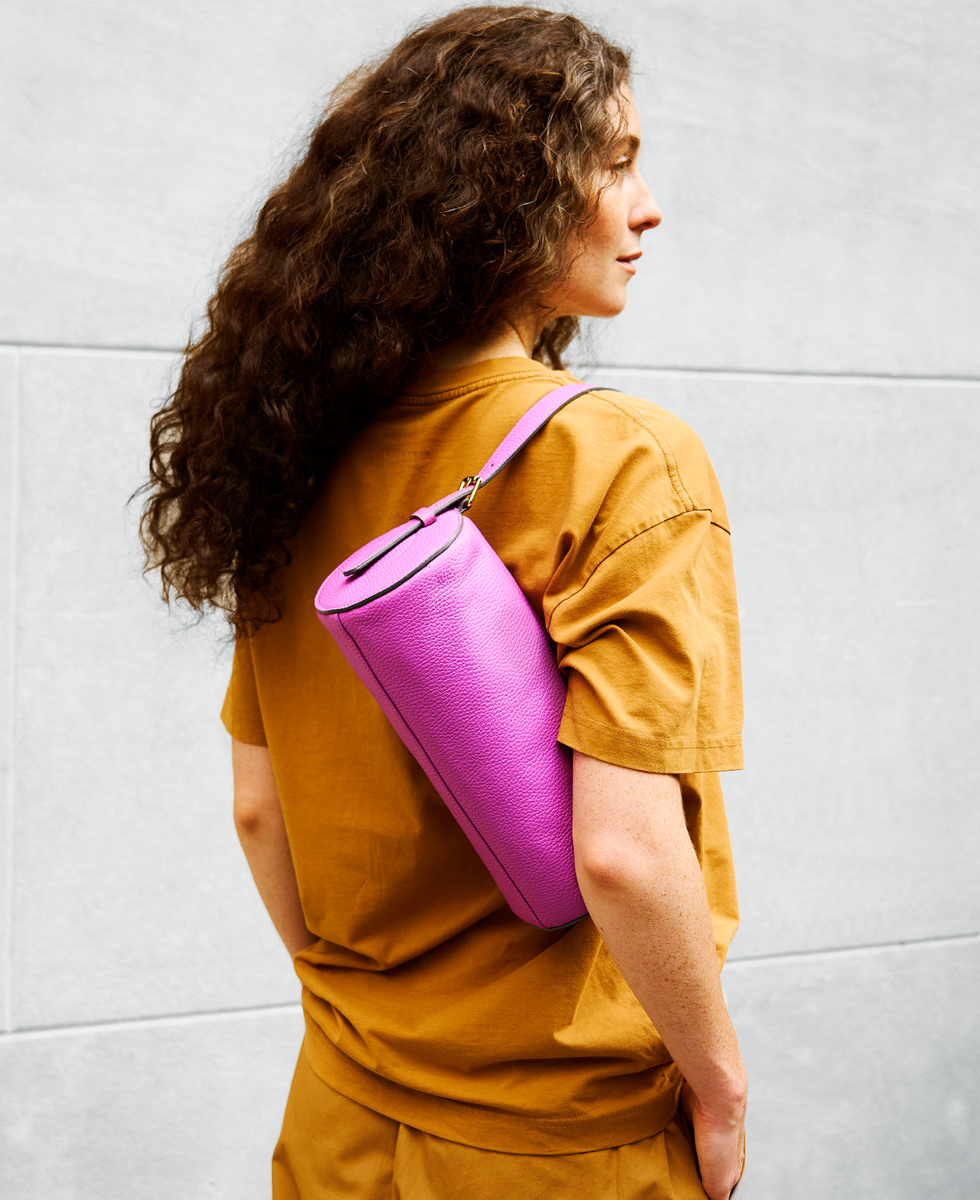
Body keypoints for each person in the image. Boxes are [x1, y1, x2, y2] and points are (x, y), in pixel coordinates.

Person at [139, 6, 748, 1197]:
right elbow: (624, 853)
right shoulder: (623, 457)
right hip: (558, 1140)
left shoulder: (295, 447)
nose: (649, 204)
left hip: (344, 1107)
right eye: (615, 163)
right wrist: (717, 1086)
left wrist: (376, 1016)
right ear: (505, 200)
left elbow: (260, 812)